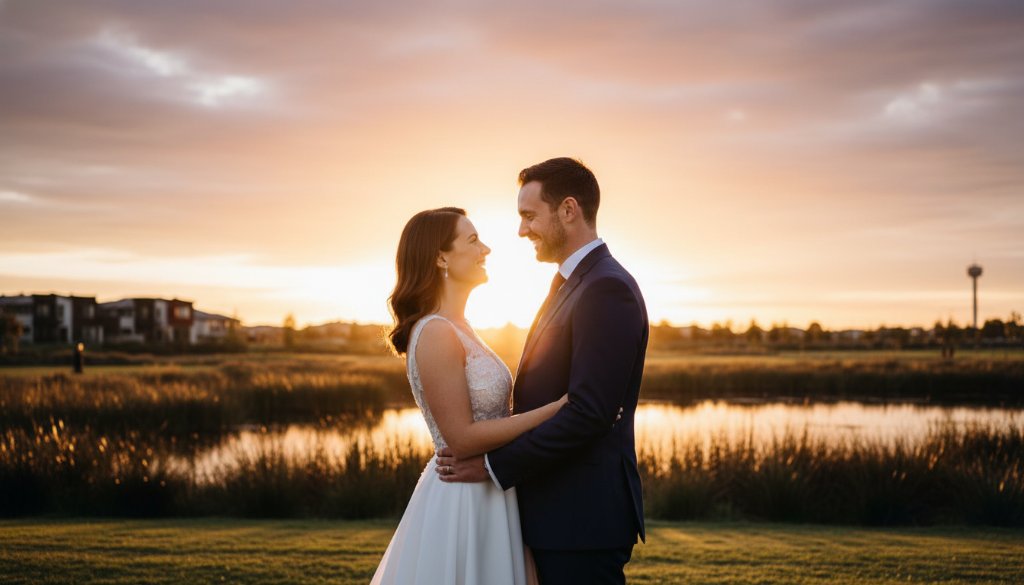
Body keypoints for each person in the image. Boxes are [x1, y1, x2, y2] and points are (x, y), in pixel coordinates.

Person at [436, 157, 649, 584]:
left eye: (529, 216)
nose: (522, 230)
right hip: (556, 515)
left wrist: (493, 467)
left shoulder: (605, 288)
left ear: (568, 210)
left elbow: (589, 412)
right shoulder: (574, 283)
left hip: (581, 520)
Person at [370, 206, 561, 585]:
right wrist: (553, 411)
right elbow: (460, 438)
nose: (485, 249)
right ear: (441, 257)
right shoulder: (436, 332)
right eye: (473, 240)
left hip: (491, 488)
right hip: (463, 499)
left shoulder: (462, 326)